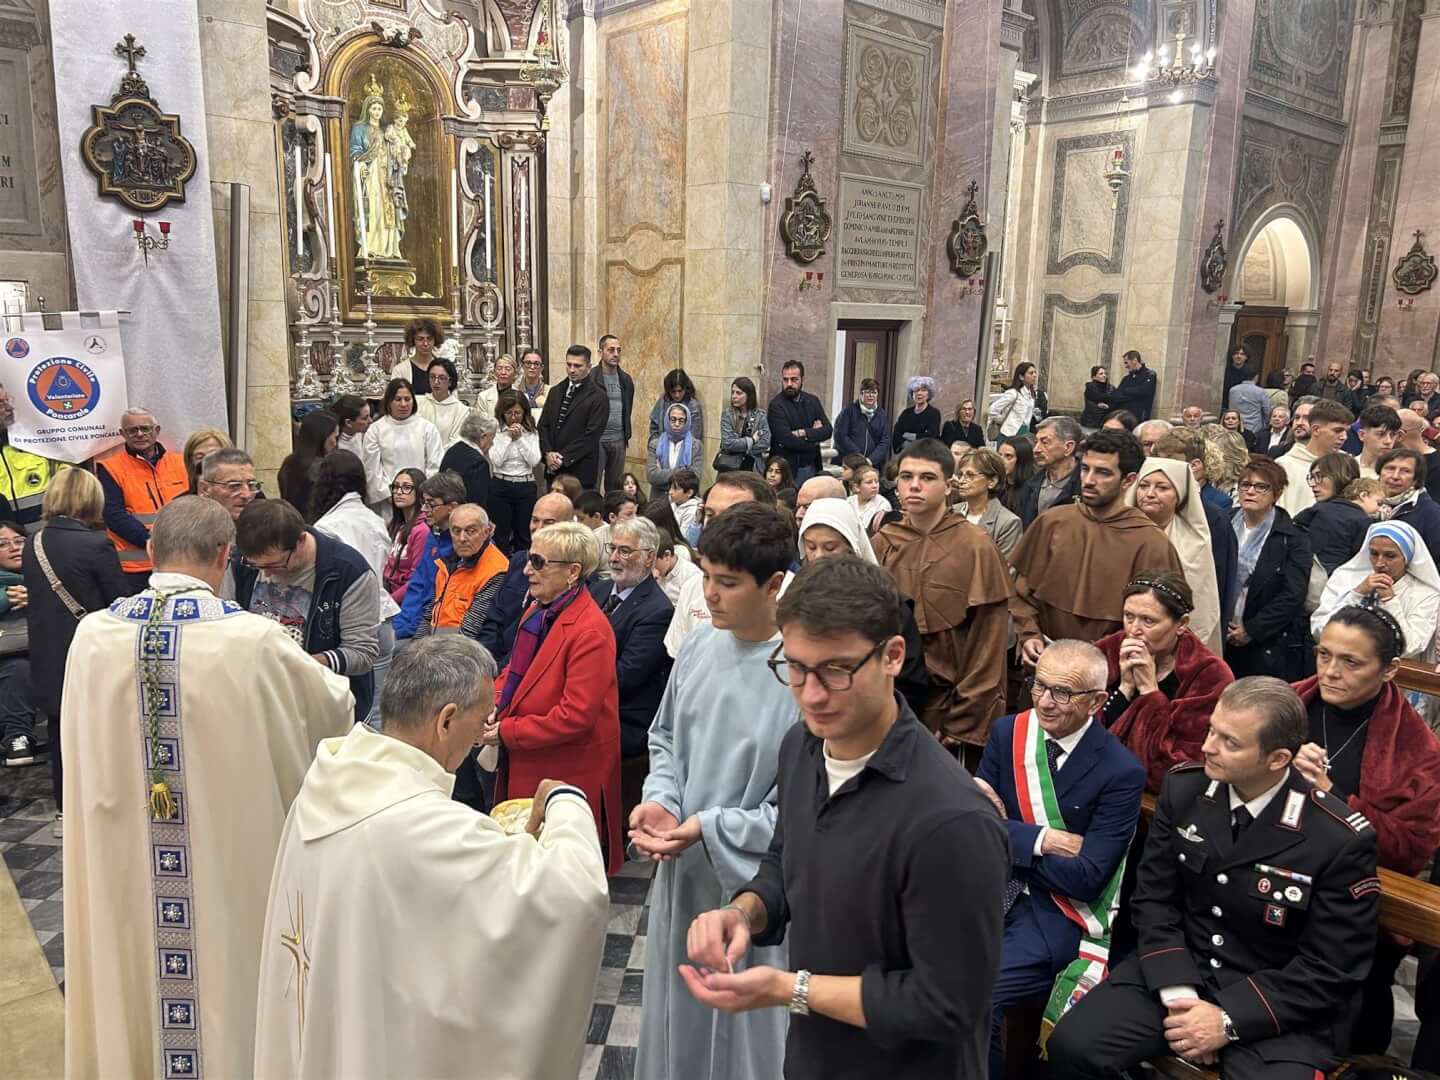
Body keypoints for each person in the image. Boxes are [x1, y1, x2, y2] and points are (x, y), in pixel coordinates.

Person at [682, 556, 1008, 1079]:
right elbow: (786, 860)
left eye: (836, 670)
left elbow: (946, 1003)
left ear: (893, 656)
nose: (811, 695)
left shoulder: (952, 820)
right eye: (795, 667)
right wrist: (744, 912)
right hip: (814, 1058)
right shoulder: (801, 748)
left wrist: (789, 988)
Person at [62, 497, 353, 1080]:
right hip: (225, 860)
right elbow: (334, 708)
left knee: (128, 952)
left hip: (121, 854)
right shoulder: (252, 639)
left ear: (150, 550)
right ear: (226, 555)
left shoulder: (93, 636)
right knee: (229, 963)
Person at [253, 636, 608, 1079]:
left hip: (330, 1019)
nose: (481, 737)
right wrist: (565, 800)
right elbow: (571, 892)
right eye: (482, 719)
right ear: (446, 720)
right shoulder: (422, 824)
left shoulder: (329, 778)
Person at [1045, 677, 1379, 1080]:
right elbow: (1154, 901)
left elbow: (1329, 968)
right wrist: (1180, 997)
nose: (1208, 747)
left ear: (1277, 759)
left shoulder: (1336, 837)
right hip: (1185, 969)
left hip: (1279, 1005)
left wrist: (1227, 1020)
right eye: (1211, 731)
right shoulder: (1185, 789)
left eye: (1230, 742)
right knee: (1074, 1046)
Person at [631, 503, 798, 1080]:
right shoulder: (700, 645)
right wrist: (662, 800)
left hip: (755, 888)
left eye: (728, 582)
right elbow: (664, 739)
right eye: (705, 575)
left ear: (774, 585)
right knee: (676, 1018)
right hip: (683, 874)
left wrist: (711, 826)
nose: (710, 594)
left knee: (745, 1039)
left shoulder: (800, 671)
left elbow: (803, 811)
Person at [975, 639, 1145, 1078]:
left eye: (1063, 693)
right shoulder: (1008, 733)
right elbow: (974, 828)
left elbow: (1086, 877)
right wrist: (1043, 839)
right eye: (1039, 685)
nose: (1045, 702)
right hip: (986, 890)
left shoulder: (1120, 772)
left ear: (1097, 702)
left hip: (1057, 915)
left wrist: (1007, 838)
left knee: (976, 998)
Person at [1293, 607, 1440, 1053]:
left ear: (1389, 669)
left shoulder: (1417, 748)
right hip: (1264, 885)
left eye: (1350, 662)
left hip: (1352, 909)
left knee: (1351, 1032)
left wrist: (1332, 795)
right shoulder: (1285, 703)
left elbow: (1408, 849)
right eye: (1323, 655)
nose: (1330, 672)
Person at [481, 521, 623, 869]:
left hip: (566, 768)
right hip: (531, 758)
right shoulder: (537, 611)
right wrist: (494, 702)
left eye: (539, 562)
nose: (526, 570)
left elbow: (575, 716)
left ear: (573, 572)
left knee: (559, 872)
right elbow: (515, 670)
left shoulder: (591, 631)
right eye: (529, 559)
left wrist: (507, 731)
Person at [872, 439, 1011, 749]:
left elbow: (987, 643)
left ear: (949, 485)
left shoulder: (976, 546)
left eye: (927, 477)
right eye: (906, 477)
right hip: (890, 697)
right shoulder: (883, 541)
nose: (914, 486)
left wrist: (963, 719)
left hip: (948, 700)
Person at [1010, 430, 1183, 663]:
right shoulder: (1052, 522)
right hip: (1045, 661)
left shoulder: (1151, 543)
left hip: (1113, 668)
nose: (1089, 480)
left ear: (1128, 480)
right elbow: (1020, 594)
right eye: (1085, 469)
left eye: (1103, 473)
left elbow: (1161, 623)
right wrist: (1029, 635)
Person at [19, 470, 127, 829]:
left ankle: (65, 807)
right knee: (99, 729)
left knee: (58, 729)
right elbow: (117, 602)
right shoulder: (96, 544)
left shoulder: (33, 543)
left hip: (47, 652)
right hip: (90, 651)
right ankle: (102, 805)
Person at [233, 499, 381, 722]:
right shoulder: (241, 562)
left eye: (275, 565)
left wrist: (299, 665)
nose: (267, 575)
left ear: (300, 541)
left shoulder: (349, 572)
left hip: (329, 711)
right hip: (262, 706)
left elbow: (362, 652)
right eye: (257, 566)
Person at [1096, 571, 1234, 791]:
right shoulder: (1108, 650)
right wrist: (1124, 689)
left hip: (1160, 796)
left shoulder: (1208, 675)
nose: (1133, 630)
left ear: (1181, 624)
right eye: (1129, 616)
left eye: (1148, 621)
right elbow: (1078, 730)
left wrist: (1150, 693)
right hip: (1096, 776)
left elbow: (1181, 767)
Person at [798, 498, 931, 717]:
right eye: (811, 547)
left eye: (830, 547)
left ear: (851, 547)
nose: (819, 556)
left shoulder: (888, 606)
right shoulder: (795, 600)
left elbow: (910, 683)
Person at [311, 450, 403, 723]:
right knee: (378, 712)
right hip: (382, 620)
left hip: (351, 628)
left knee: (350, 714)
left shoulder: (326, 527)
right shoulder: (374, 520)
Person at [664, 471, 779, 656]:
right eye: (709, 514)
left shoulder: (794, 600)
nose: (715, 526)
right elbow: (678, 659)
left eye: (730, 516)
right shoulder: (692, 587)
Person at [591, 516, 673, 758]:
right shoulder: (597, 590)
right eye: (612, 548)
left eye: (625, 551)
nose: (614, 558)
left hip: (621, 717)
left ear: (649, 557)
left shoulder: (658, 611)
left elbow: (624, 677)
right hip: (586, 702)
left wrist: (571, 684)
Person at [1225, 455, 1312, 680]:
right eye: (1245, 485)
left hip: (1265, 642)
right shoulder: (1223, 522)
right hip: (1220, 629)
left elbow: (1293, 594)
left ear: (1277, 493)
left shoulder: (1292, 537)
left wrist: (1252, 630)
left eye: (1261, 487)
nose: (1250, 491)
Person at [1126, 458, 1224, 652]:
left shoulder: (1195, 540)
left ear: (1179, 493)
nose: (1150, 494)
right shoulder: (1120, 531)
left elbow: (1201, 602)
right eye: (1143, 486)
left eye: (1162, 488)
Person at [1310, 521, 1439, 660]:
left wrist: (1390, 601)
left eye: (1390, 556)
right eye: (1374, 553)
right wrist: (1357, 594)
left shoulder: (1424, 593)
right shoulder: (1346, 577)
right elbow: (1320, 629)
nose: (1379, 563)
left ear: (1406, 557)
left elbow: (1410, 646)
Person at [97, 407, 190, 591]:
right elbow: (114, 515)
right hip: (136, 569)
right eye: (132, 430)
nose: (139, 434)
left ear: (157, 431)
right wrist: (154, 542)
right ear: (122, 434)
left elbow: (195, 507)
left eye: (145, 428)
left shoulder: (182, 463)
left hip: (181, 562)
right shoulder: (110, 468)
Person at [1149, 430, 1240, 618]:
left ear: (1194, 466)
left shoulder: (1214, 517)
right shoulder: (1143, 507)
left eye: (1170, 462)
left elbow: (1219, 582)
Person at [476, 493, 575, 666]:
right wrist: (484, 662)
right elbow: (494, 618)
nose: (539, 528)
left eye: (549, 522)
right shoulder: (518, 561)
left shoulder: (569, 576)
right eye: (535, 520)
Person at [394, 470, 464, 643]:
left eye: (431, 504)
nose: (425, 510)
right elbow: (417, 586)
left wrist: (406, 632)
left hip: (439, 634)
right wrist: (397, 626)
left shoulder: (464, 547)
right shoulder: (434, 537)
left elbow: (439, 601)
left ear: (452, 507)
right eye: (424, 503)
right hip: (413, 624)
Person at [421, 502, 508, 640]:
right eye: (456, 531)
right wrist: (416, 647)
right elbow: (428, 615)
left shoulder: (496, 571)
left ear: (486, 532)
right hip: (435, 643)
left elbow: (469, 632)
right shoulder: (448, 563)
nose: (462, 538)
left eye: (470, 531)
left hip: (461, 649)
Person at [362, 379, 443, 510]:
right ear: (389, 401)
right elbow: (372, 468)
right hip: (388, 500)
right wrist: (391, 495)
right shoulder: (376, 430)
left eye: (407, 399)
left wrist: (421, 494)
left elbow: (435, 464)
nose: (403, 404)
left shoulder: (427, 428)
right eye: (398, 399)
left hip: (421, 499)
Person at [538, 344, 609, 489]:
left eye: (577, 366)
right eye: (569, 364)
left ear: (589, 367)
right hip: (553, 469)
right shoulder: (555, 391)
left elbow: (591, 435)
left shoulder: (598, 396)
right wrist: (548, 453)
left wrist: (562, 458)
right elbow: (543, 425)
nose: (572, 370)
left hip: (579, 471)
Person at [1294, 452, 1369, 573]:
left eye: (1319, 476)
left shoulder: (1322, 513)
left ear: (1342, 476)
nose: (1313, 484)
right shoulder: (1364, 518)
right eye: (1312, 477)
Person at [487, 388, 542, 552]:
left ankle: (521, 565)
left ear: (524, 412)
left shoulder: (531, 432)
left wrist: (519, 440)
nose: (513, 418)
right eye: (509, 413)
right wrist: (508, 439)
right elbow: (497, 460)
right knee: (500, 536)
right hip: (501, 485)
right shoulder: (496, 431)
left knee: (524, 536)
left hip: (525, 485)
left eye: (517, 413)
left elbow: (534, 460)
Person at [1277, 398, 1352, 515]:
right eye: (1338, 430)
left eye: (1346, 431)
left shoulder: (1347, 464)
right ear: (1316, 430)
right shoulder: (1284, 466)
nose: (1344, 437)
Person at [766, 361, 833, 483]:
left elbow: (828, 430)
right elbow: (786, 440)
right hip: (787, 470)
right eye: (785, 380)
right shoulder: (776, 406)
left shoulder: (812, 401)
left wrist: (802, 432)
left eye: (794, 379)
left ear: (802, 380)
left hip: (812, 466)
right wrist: (814, 438)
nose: (789, 384)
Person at [0, 521, 31, 767]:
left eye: (19, 541)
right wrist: (4, 598)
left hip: (48, 648)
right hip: (7, 654)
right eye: (3, 544)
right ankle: (17, 737)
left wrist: (38, 594)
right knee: (17, 669)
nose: (13, 548)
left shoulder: (49, 571)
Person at [953, 447, 1022, 557]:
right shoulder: (952, 512)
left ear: (992, 481)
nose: (961, 481)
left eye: (970, 475)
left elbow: (1004, 566)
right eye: (961, 475)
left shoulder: (1008, 523)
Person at [1016, 415, 1082, 527]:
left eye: (1045, 442)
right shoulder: (1030, 484)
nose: (1036, 449)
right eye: (1036, 442)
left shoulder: (1086, 485)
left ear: (1068, 447)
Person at [1378, 446, 1440, 563]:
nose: (1395, 476)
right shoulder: (1367, 505)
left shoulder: (1431, 513)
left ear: (1416, 479)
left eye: (1405, 471)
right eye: (1390, 468)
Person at [278, 410, 338, 521]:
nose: (335, 443)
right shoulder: (323, 468)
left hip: (291, 521)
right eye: (334, 437)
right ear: (323, 437)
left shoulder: (289, 462)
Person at [381, 467, 428, 604]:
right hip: (386, 592)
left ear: (419, 493)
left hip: (405, 602)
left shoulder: (422, 530)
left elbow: (417, 580)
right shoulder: (395, 525)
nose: (398, 492)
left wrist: (389, 603)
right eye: (395, 487)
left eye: (406, 487)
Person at [596, 333, 636, 492]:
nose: (616, 354)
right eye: (611, 350)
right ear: (601, 352)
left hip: (618, 439)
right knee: (593, 484)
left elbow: (628, 407)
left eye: (619, 350)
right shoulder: (592, 377)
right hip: (597, 439)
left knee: (615, 488)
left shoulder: (625, 379)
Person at [437, 408, 494, 508]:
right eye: (492, 438)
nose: (492, 444)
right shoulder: (479, 463)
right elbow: (477, 502)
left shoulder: (452, 451)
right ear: (483, 437)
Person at [831, 377, 891, 469]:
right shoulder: (849, 411)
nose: (871, 396)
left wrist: (871, 460)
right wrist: (858, 457)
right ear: (861, 393)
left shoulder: (882, 414)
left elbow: (885, 440)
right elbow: (840, 436)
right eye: (868, 392)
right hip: (849, 464)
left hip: (871, 465)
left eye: (874, 392)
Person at [718, 375, 772, 473]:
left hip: (753, 467)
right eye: (732, 392)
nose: (734, 396)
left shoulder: (760, 415)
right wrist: (752, 440)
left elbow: (765, 443)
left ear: (749, 395)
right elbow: (727, 443)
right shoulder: (727, 415)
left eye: (738, 393)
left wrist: (738, 446)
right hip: (729, 467)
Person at [649, 401, 704, 495]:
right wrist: (683, 470)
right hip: (660, 497)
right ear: (667, 420)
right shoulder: (655, 444)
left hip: (685, 497)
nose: (677, 424)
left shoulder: (696, 446)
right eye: (673, 419)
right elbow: (652, 476)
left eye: (681, 420)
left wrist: (662, 474)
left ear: (687, 422)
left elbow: (695, 478)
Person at [414, 356, 469, 449]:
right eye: (432, 377)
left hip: (447, 456)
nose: (436, 382)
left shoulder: (461, 411)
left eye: (441, 378)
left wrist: (435, 454)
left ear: (450, 381)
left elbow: (456, 441)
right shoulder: (418, 403)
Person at [648, 367, 706, 454]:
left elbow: (695, 435)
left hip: (684, 452)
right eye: (673, 391)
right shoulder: (663, 401)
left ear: (685, 389)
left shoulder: (693, 406)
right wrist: (657, 444)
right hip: (663, 449)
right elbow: (654, 426)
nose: (677, 395)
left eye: (680, 391)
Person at [388, 317, 443, 394]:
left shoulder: (444, 368)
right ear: (413, 341)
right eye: (420, 339)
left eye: (429, 339)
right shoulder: (400, 370)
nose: (425, 343)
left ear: (435, 340)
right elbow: (394, 397)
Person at [989, 362, 1041, 440]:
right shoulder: (1013, 393)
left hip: (1024, 431)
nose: (1034, 375)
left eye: (1035, 372)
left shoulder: (1031, 394)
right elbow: (992, 410)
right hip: (1009, 433)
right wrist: (1003, 420)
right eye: (1031, 373)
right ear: (1021, 377)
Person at [892, 375, 942, 452]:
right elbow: (897, 433)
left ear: (928, 394)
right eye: (916, 390)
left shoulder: (934, 413)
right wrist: (905, 444)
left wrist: (913, 436)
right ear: (912, 394)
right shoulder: (906, 413)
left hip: (925, 453)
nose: (919, 393)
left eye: (923, 390)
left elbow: (932, 435)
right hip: (905, 452)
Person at [654, 526, 702, 605]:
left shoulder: (691, 577)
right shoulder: (655, 572)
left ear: (667, 555)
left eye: (653, 563)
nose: (650, 569)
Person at [1354, 402, 1401, 478]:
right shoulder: (1347, 468)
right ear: (1362, 435)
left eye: (1393, 435)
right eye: (1381, 434)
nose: (1388, 441)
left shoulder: (1398, 474)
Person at [1109, 350, 1157, 421]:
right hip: (1124, 417)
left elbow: (1143, 392)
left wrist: (1126, 390)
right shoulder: (1126, 378)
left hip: (1139, 417)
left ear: (1134, 360)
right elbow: (1116, 396)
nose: (1125, 366)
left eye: (1126, 362)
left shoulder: (1150, 375)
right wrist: (1133, 395)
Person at [182, 427, 231, 495]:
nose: (206, 462)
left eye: (213, 456)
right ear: (190, 463)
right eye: (200, 457)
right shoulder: (182, 501)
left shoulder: (240, 497)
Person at [474, 353, 520, 421]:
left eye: (508, 369)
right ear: (494, 371)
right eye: (499, 368)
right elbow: (480, 423)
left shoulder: (522, 396)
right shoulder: (483, 397)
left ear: (515, 372)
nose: (503, 372)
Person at [997, 434, 1036, 515]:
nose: (1001, 461)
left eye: (1008, 456)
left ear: (1021, 459)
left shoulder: (1031, 490)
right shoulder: (999, 486)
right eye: (999, 455)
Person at [846, 462, 891, 531]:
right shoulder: (849, 502)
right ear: (857, 487)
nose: (875, 486)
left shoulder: (882, 504)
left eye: (876, 482)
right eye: (869, 482)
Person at [1227, 365, 1271, 435]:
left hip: (1236, 427)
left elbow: (1231, 409)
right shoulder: (1260, 392)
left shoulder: (1233, 390)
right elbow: (1267, 412)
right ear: (1256, 376)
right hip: (1255, 428)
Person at [517, 348, 550, 413]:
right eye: (528, 363)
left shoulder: (550, 392)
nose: (532, 367)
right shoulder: (514, 390)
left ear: (542, 368)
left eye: (536, 364)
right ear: (522, 365)